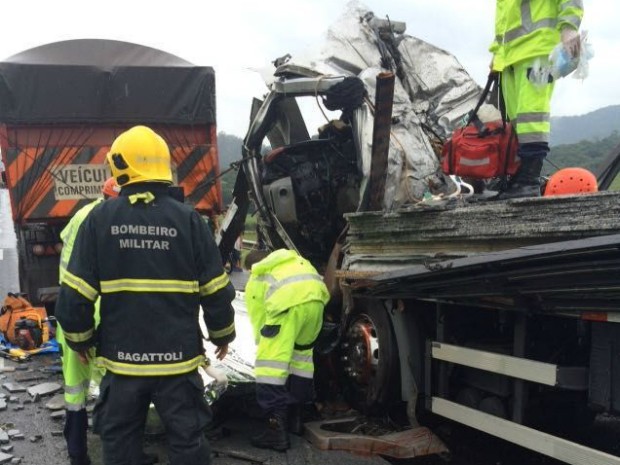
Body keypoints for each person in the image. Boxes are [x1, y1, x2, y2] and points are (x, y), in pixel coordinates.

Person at [55, 125, 236, 465]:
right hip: (178, 362)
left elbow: (75, 294)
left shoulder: (99, 220)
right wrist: (222, 332)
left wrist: (80, 341)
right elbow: (215, 289)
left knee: (120, 442)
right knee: (188, 440)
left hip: (122, 363)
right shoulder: (190, 221)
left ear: (121, 166)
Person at [491, 0, 584, 199]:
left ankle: (529, 180)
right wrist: (497, 56)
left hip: (538, 51)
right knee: (518, 122)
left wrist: (569, 27)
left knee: (532, 118)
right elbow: (504, 23)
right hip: (510, 59)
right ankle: (519, 176)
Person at [56, 176, 119, 465]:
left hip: (71, 314)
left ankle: (78, 455)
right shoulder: (106, 221)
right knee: (110, 386)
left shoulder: (83, 214)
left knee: (75, 389)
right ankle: (113, 452)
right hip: (96, 313)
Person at [244, 248, 330, 451]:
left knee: (270, 370)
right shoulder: (295, 262)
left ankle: (276, 431)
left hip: (287, 308)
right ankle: (296, 419)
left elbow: (258, 317)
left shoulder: (258, 274)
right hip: (315, 305)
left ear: (250, 267)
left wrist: (263, 344)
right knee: (301, 362)